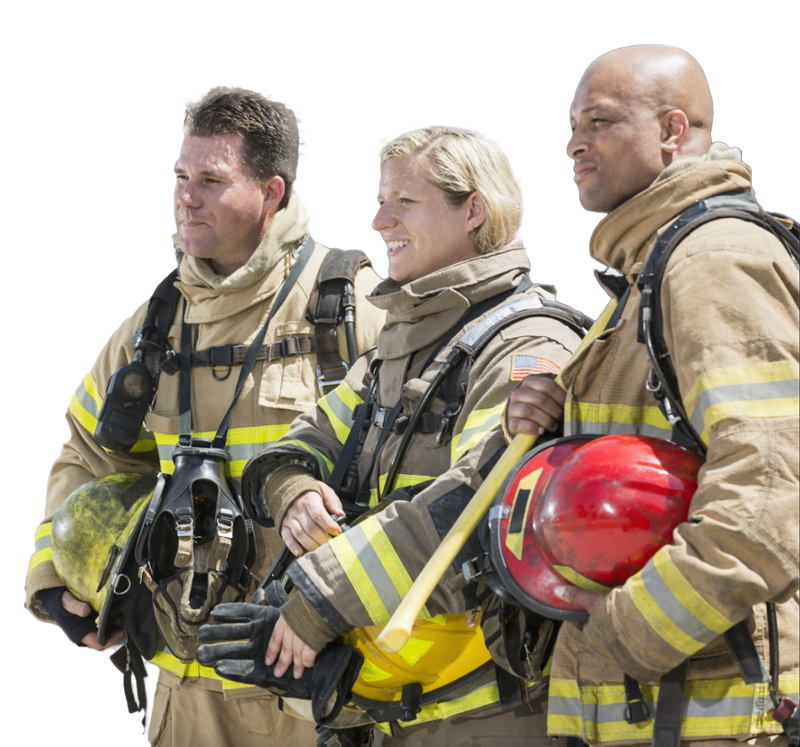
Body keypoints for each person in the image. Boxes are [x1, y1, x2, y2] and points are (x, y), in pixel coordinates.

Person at [200, 124, 587, 746]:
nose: (379, 221)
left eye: (404, 202)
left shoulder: (528, 346)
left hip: (484, 718)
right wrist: (293, 490)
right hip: (390, 706)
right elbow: (305, 439)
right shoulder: (400, 345)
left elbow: (479, 508)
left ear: (474, 211)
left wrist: (318, 604)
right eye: (382, 200)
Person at [24, 86, 384, 747]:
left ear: (272, 193)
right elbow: (88, 451)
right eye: (181, 177)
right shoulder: (155, 324)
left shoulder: (351, 307)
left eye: (212, 180)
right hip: (187, 693)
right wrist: (58, 579)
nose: (186, 197)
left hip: (315, 684)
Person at [506, 44, 799, 746]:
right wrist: (554, 423)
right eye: (574, 123)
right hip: (660, 708)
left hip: (709, 710)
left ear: (672, 132)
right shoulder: (649, 267)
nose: (574, 142)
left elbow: (769, 493)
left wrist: (627, 634)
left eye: (599, 121)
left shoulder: (711, 260)